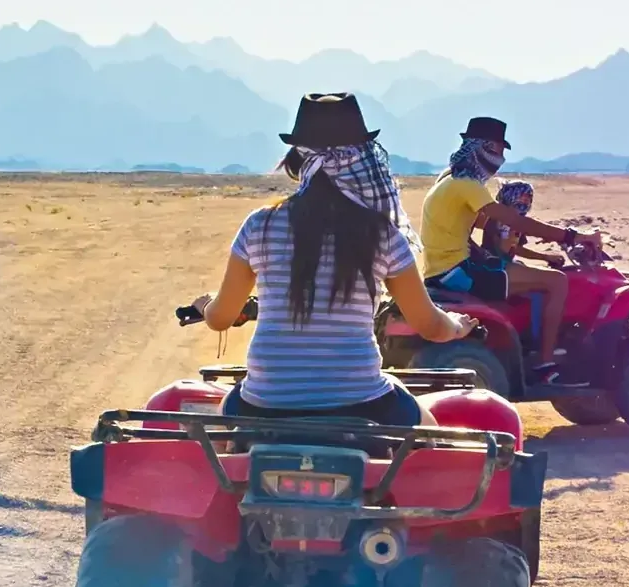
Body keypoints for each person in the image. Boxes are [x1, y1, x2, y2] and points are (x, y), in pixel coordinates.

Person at [190, 93, 479, 423]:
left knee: (224, 439)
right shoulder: (382, 234)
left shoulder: (259, 225)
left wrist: (206, 306)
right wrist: (456, 326)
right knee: (431, 432)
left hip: (264, 404)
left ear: (297, 160)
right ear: (363, 158)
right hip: (362, 402)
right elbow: (429, 325)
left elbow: (220, 318)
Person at [417, 119, 603, 363]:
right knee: (557, 282)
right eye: (499, 150)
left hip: (441, 270)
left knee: (526, 275)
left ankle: (527, 344)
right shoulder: (467, 185)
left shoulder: (448, 179)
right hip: (458, 272)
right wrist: (573, 236)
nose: (501, 158)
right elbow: (515, 222)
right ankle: (546, 363)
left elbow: (481, 224)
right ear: (485, 148)